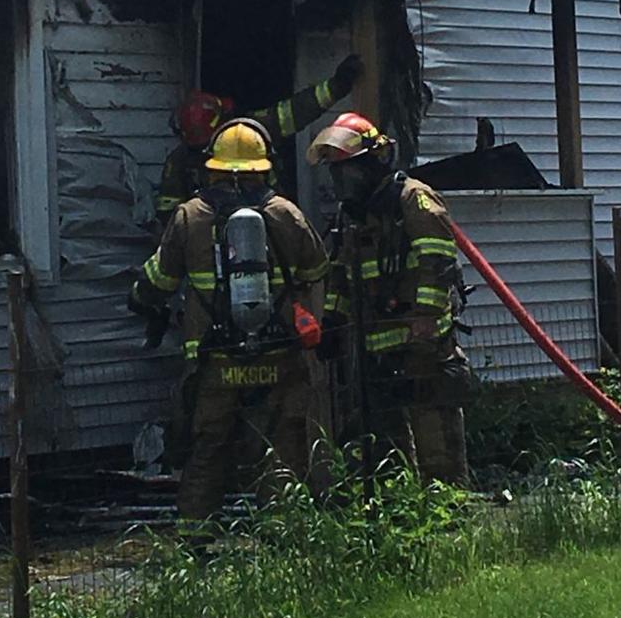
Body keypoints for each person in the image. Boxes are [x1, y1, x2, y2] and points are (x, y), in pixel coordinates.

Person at [130, 119, 329, 521]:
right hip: (279, 357)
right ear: (265, 166)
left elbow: (159, 281)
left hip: (214, 360)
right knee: (283, 446)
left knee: (208, 449)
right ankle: (283, 532)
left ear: (212, 167)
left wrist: (139, 298)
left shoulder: (190, 217)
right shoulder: (286, 214)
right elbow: (316, 270)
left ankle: (196, 539)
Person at [306, 112, 469, 487]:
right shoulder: (352, 217)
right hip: (376, 348)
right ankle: (401, 516)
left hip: (422, 347)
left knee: (436, 441)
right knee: (386, 446)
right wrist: (332, 321)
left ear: (374, 162)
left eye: (347, 171)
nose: (340, 181)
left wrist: (425, 318)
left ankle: (451, 517)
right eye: (335, 173)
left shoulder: (413, 199)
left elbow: (439, 261)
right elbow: (343, 276)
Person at [156, 54, 363, 225]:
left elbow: (295, 110)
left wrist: (338, 85)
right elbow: (168, 216)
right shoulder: (181, 162)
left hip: (265, 227)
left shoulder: (251, 131)